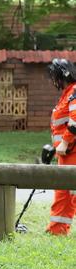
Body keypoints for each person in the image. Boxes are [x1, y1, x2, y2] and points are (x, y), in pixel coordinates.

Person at [46, 58, 76, 236]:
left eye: (54, 76)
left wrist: (64, 142)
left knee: (66, 192)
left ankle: (58, 231)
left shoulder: (74, 92)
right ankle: (56, 229)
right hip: (65, 153)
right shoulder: (67, 93)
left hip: (71, 152)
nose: (53, 80)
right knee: (63, 192)